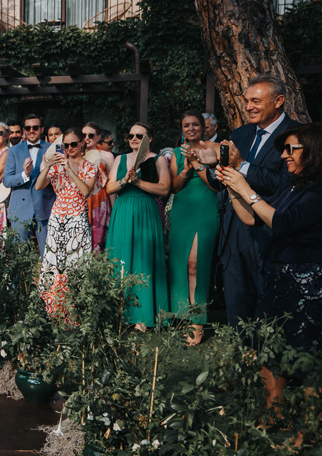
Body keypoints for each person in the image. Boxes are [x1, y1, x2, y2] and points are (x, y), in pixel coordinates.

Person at [218, 124, 322, 422]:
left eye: (291, 149)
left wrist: (247, 188)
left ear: (314, 151)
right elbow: (253, 218)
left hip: (313, 283)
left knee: (308, 355)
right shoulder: (293, 184)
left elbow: (285, 222)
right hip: (279, 281)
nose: (284, 156)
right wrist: (234, 190)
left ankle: (308, 430)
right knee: (270, 347)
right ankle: (274, 413)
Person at [195, 74, 299, 328]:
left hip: (269, 231)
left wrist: (241, 165)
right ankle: (241, 359)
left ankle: (270, 363)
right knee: (236, 301)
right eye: (246, 101)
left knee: (270, 302)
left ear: (279, 101)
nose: (248, 107)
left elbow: (286, 183)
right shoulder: (240, 134)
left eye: (256, 101)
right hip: (232, 231)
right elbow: (223, 179)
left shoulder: (296, 134)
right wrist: (212, 168)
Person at [105, 122, 171, 330]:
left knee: (143, 259)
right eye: (131, 135)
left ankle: (142, 316)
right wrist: (125, 180)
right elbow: (109, 188)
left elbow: (164, 189)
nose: (134, 139)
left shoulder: (157, 159)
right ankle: (121, 313)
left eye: (139, 136)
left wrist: (138, 183)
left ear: (149, 139)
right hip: (123, 210)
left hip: (145, 210)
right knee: (122, 258)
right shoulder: (120, 158)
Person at [35, 129, 99, 323]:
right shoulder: (56, 166)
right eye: (66, 145)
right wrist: (48, 165)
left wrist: (69, 169)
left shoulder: (90, 166)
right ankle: (53, 309)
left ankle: (76, 310)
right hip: (57, 219)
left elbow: (86, 191)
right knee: (55, 262)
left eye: (73, 144)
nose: (69, 148)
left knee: (76, 263)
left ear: (82, 144)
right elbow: (39, 185)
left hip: (77, 219)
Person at [168, 111, 219, 345]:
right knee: (182, 264)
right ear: (182, 129)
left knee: (196, 264)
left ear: (203, 127)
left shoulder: (215, 149)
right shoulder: (176, 154)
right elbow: (174, 187)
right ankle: (185, 314)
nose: (191, 128)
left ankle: (198, 320)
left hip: (206, 208)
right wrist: (185, 170)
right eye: (186, 125)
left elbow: (216, 186)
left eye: (195, 124)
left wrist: (197, 163)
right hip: (183, 210)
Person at [2, 113, 55, 256]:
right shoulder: (13, 151)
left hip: (45, 209)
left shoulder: (52, 148)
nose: (31, 130)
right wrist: (24, 174)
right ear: (24, 130)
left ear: (41, 129)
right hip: (20, 210)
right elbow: (6, 181)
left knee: (48, 256)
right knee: (20, 259)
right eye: (28, 127)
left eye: (35, 127)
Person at [82, 122, 114, 250]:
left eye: (91, 135)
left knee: (99, 244)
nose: (87, 138)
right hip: (81, 203)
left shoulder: (106, 156)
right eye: (84, 135)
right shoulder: (77, 155)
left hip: (100, 203)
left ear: (98, 137)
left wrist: (113, 209)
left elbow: (111, 185)